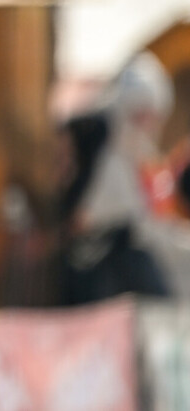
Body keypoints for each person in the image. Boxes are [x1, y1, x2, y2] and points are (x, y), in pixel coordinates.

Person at [60, 51, 175, 303]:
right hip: (97, 268)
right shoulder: (103, 154)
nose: (147, 125)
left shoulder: (140, 160)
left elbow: (152, 217)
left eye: (151, 116)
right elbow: (81, 220)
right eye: (141, 115)